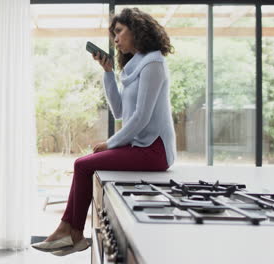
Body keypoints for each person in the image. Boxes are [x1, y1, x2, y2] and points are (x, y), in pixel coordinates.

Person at [32, 7, 177, 256]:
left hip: (156, 149)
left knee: (82, 164)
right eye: (114, 34)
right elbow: (120, 112)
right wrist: (108, 73)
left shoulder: (154, 63)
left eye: (119, 31)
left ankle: (71, 232)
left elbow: (141, 117)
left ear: (137, 30)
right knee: (84, 163)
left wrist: (111, 143)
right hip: (140, 144)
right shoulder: (134, 66)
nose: (116, 39)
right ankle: (71, 231)